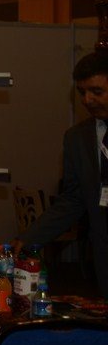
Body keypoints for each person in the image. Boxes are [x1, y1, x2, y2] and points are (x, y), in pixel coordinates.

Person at [17, 51, 108, 294]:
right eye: (82, 92)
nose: (87, 100)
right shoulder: (77, 138)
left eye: (96, 91)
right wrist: (29, 239)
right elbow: (72, 200)